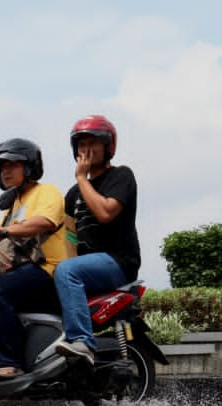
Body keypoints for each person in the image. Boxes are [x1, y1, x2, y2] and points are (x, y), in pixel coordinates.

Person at [0, 139, 71, 380]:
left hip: (48, 271)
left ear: (29, 167)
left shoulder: (45, 192)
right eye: (1, 167)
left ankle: (9, 363)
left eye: (12, 165)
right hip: (23, 273)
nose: (5, 171)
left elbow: (44, 222)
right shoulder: (13, 204)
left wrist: (4, 231)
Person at [51, 115, 139, 363]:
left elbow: (105, 213)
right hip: (85, 267)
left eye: (93, 143)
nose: (86, 149)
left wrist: (81, 177)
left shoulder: (121, 176)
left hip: (117, 261)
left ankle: (83, 342)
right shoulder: (72, 195)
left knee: (67, 271)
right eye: (81, 145)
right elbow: (68, 237)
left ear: (108, 146)